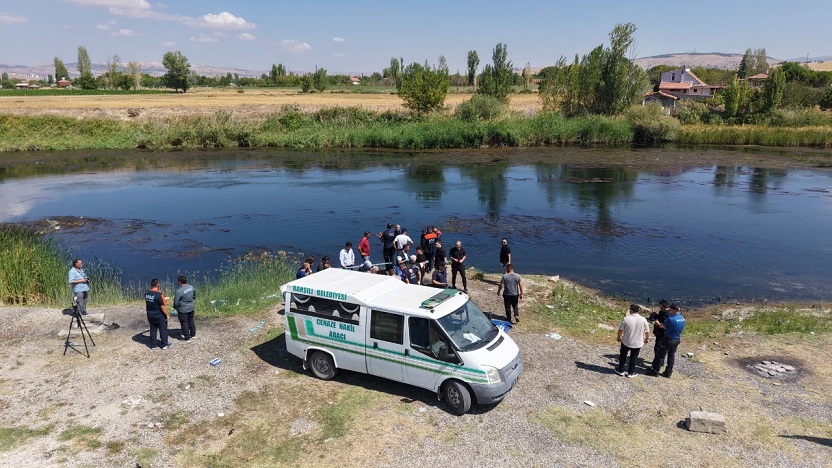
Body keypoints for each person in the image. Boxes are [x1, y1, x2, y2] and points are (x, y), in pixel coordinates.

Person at [647, 303, 686, 378]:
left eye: (670, 309)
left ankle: (655, 371)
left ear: (674, 310)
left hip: (668, 339)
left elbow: (662, 326)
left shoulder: (670, 319)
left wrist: (657, 323)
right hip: (677, 339)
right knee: (671, 356)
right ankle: (668, 372)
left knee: (660, 355)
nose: (669, 311)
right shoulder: (682, 318)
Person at [616, 304, 650, 378]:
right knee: (633, 358)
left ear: (631, 310)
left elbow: (620, 330)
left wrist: (618, 337)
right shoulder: (643, 319)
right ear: (638, 311)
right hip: (637, 342)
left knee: (623, 355)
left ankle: (621, 370)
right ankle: (630, 372)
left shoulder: (626, 318)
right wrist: (647, 339)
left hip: (626, 341)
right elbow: (647, 331)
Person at [145, 278, 172, 350]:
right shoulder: (159, 295)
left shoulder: (146, 293)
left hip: (150, 315)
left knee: (153, 329)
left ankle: (153, 345)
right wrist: (167, 314)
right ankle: (164, 344)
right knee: (163, 329)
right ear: (158, 285)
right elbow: (163, 307)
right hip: (159, 315)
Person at [173, 275, 197, 342]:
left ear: (180, 282)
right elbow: (194, 296)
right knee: (191, 320)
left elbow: (176, 303)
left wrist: (176, 308)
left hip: (183, 310)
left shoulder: (179, 291)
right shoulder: (191, 287)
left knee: (184, 323)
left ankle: (187, 337)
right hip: (191, 308)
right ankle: (193, 334)